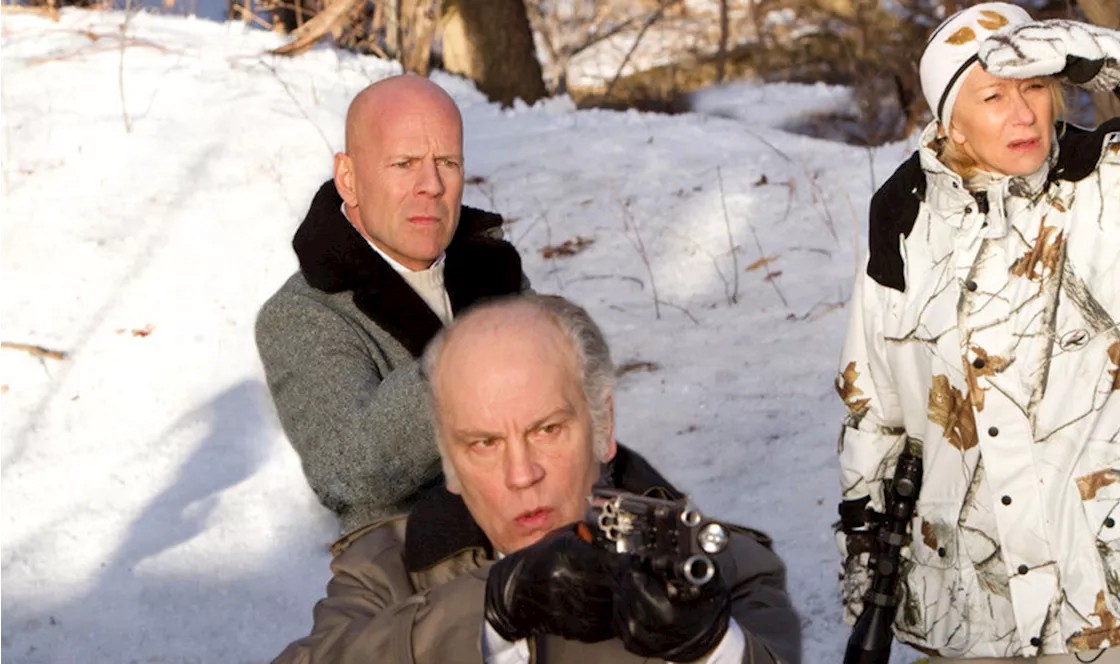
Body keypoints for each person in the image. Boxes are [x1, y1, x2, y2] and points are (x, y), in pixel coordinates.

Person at [834, 3, 1120, 663]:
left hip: (1102, 578)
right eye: (994, 96)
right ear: (949, 119)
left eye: (1035, 86)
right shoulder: (902, 214)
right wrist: (865, 557)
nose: (1023, 112)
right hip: (966, 586)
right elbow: (873, 406)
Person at [274, 294, 802, 664]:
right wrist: (490, 609)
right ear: (448, 462)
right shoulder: (384, 569)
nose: (522, 474)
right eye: (484, 443)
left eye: (547, 429)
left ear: (602, 425)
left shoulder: (729, 565)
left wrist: (710, 648)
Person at [257, 75, 527, 534]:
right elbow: (348, 471)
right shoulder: (304, 313)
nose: (433, 185)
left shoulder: (495, 271)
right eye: (404, 163)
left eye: (448, 162)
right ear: (349, 178)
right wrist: (468, 359)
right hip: (419, 580)